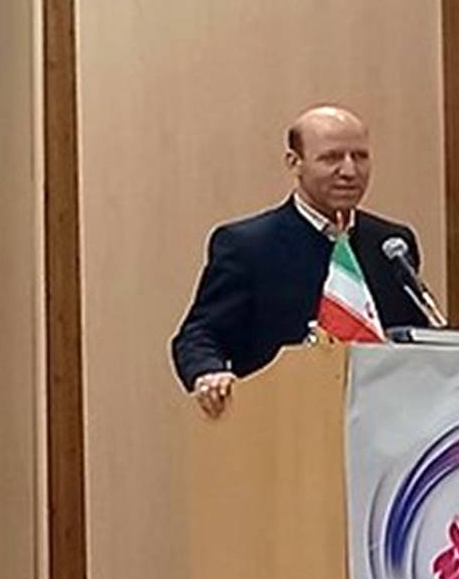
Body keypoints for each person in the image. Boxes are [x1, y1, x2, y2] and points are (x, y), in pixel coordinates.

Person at [170, 105, 429, 416]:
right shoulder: (247, 245)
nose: (349, 171)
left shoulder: (391, 244)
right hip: (282, 422)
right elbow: (199, 335)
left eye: (360, 156)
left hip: (384, 421)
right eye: (332, 158)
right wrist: (208, 373)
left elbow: (416, 338)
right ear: (295, 163)